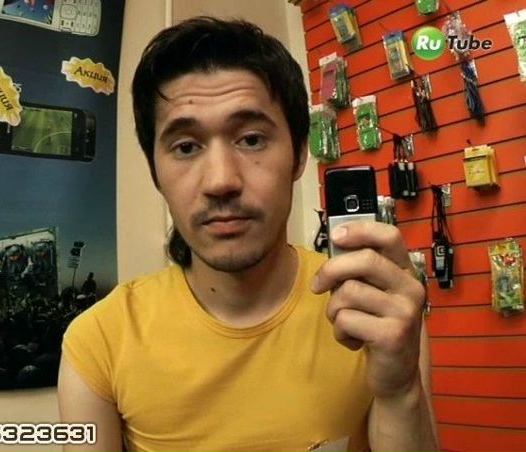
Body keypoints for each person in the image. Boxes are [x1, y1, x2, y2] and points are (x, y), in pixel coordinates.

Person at [58, 16, 439, 452]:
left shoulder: (374, 310)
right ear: (155, 172)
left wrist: (399, 392)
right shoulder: (98, 342)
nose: (221, 180)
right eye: (186, 147)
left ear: (299, 154)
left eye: (252, 139)